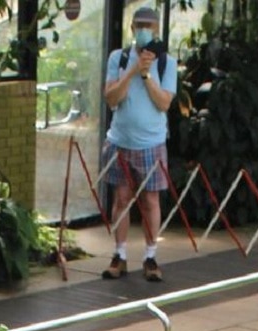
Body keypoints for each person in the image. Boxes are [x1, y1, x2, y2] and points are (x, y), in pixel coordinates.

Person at [100, 5, 177, 284]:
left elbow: (164, 102)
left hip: (151, 144)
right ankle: (119, 254)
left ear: (156, 31)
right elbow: (111, 98)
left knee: (150, 200)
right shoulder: (118, 59)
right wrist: (133, 70)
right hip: (120, 140)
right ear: (132, 29)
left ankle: (151, 256)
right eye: (139, 26)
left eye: (149, 27)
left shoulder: (167, 62)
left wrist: (146, 75)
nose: (144, 31)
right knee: (121, 200)